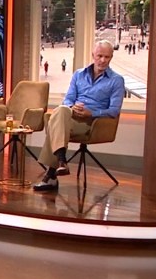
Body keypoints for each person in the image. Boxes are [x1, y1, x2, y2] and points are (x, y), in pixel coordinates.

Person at [33, 40, 125, 192]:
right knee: (62, 110)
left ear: (111, 57)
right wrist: (72, 107)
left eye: (107, 57)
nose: (103, 60)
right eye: (100, 56)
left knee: (55, 124)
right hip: (72, 117)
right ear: (93, 55)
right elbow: (68, 99)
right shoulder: (79, 74)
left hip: (92, 123)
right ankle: (61, 161)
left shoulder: (116, 80)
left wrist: (92, 113)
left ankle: (52, 173)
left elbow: (114, 110)